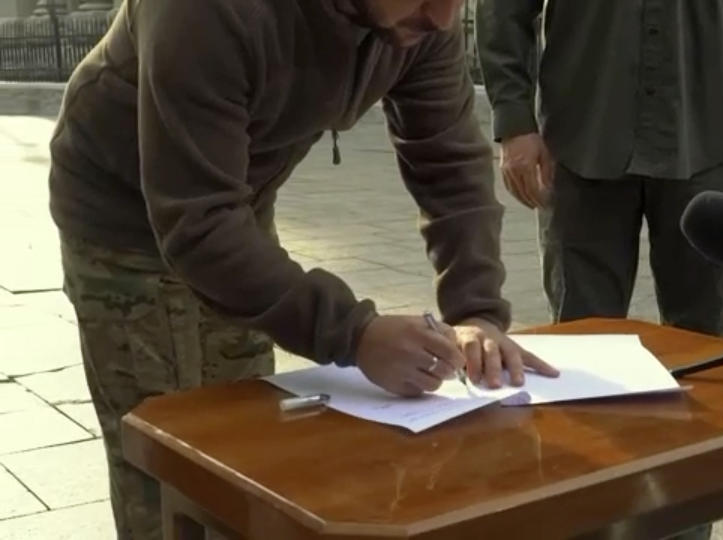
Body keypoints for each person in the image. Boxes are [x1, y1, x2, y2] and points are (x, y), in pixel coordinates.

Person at [48, 0, 558, 538]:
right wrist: (355, 335)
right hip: (121, 217)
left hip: (234, 202)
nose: (443, 18)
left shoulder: (424, 18)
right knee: (166, 460)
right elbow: (197, 224)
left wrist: (477, 311)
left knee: (248, 453)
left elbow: (450, 165)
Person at [476, 1, 723, 538]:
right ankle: (588, 520)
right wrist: (514, 120)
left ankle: (686, 525)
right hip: (583, 137)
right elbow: (502, 10)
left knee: (706, 353)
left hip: (712, 142)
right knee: (579, 353)